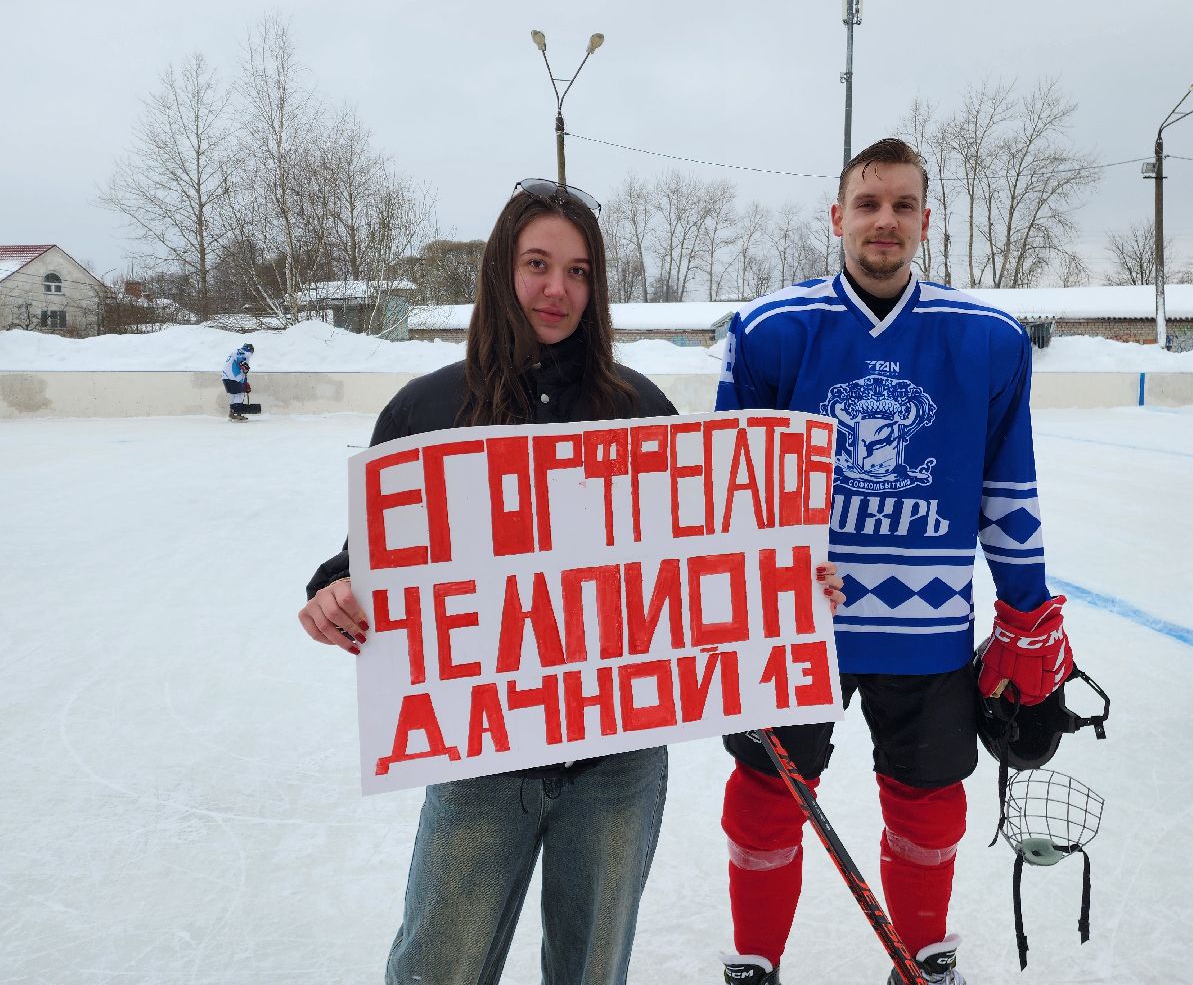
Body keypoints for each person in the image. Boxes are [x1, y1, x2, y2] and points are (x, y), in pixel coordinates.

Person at [296, 179, 844, 985]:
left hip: (617, 764)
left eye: (580, 271)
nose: (558, 289)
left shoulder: (641, 409)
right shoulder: (426, 410)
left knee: (592, 972)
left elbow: (700, 560)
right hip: (480, 757)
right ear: (499, 273)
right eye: (538, 264)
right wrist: (333, 592)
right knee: (436, 967)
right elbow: (366, 562)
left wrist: (781, 590)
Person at [713, 138, 1074, 985]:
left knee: (929, 801)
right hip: (801, 625)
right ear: (838, 217)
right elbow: (727, 492)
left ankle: (922, 956)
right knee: (767, 795)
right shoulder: (771, 331)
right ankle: (754, 962)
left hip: (930, 628)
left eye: (903, 206)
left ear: (924, 222)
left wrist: (1027, 613)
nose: (885, 221)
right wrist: (757, 583)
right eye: (868, 205)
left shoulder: (987, 339)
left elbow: (1006, 487)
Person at [221, 342, 254, 421]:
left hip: (225, 376)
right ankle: (236, 413)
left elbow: (243, 372)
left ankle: (232, 412)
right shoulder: (245, 352)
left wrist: (245, 383)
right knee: (240, 394)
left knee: (233, 394)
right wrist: (243, 364)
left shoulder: (236, 352)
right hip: (233, 377)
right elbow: (240, 359)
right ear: (251, 350)